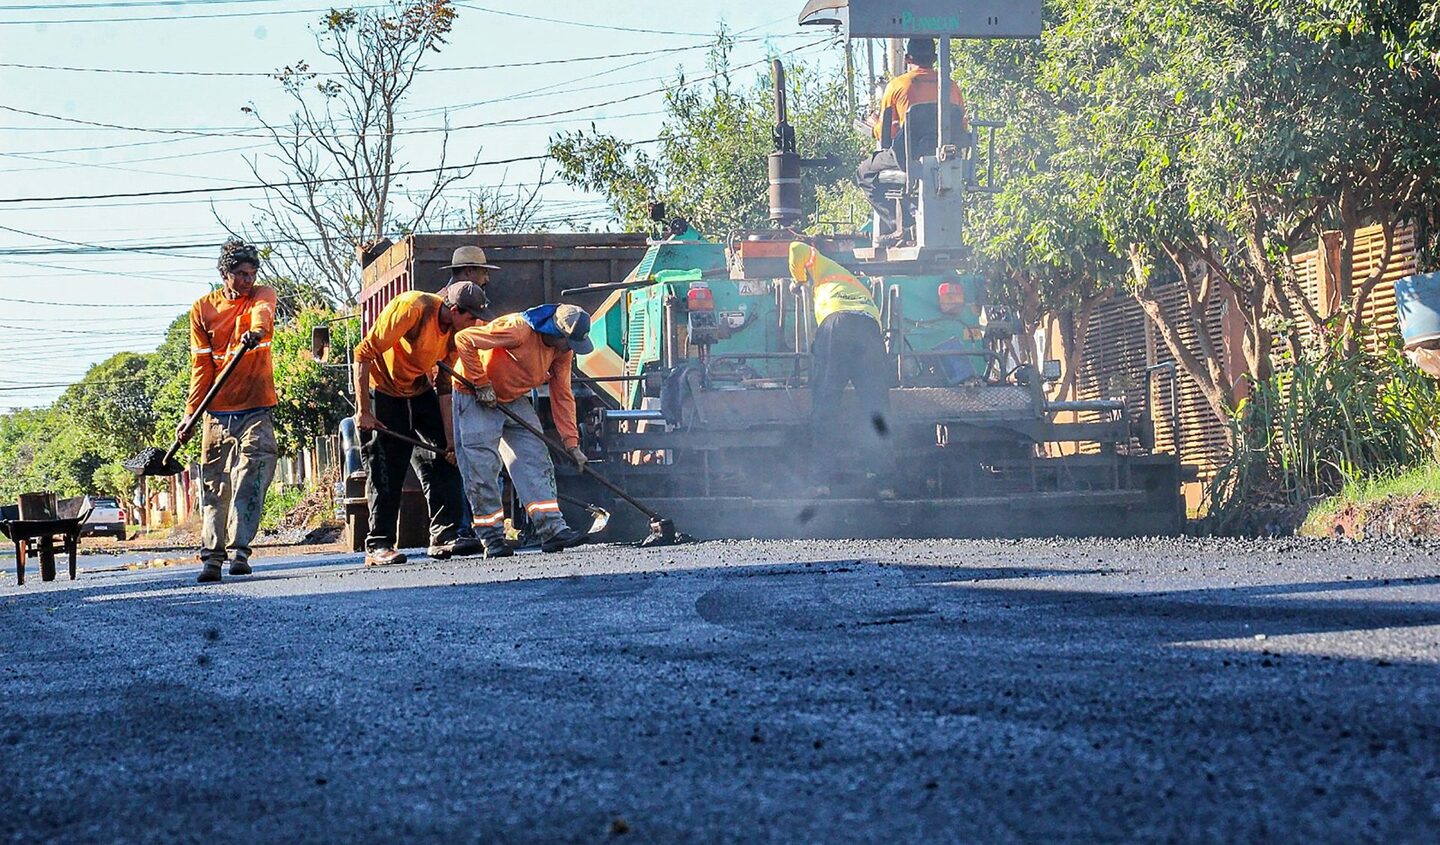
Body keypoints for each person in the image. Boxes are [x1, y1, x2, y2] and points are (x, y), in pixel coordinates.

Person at [352, 282, 488, 566]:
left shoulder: (455, 332)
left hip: (418, 388)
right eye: (471, 317)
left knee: (443, 458)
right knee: (386, 466)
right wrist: (363, 410)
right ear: (453, 309)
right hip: (383, 390)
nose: (475, 323)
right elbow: (363, 354)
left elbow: (444, 383)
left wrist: (449, 440)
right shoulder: (412, 308)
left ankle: (444, 535)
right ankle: (379, 544)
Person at [451, 303, 594, 557]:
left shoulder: (562, 350)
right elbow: (463, 339)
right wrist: (481, 383)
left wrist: (572, 444)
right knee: (482, 467)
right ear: (556, 332)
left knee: (535, 458)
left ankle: (552, 530)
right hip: (474, 394)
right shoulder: (518, 331)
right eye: (569, 343)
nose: (570, 349)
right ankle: (493, 538)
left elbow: (562, 394)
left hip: (512, 398)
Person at [176, 239, 279, 584]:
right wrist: (191, 414)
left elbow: (263, 315)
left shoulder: (263, 295)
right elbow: (200, 366)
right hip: (216, 412)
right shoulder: (202, 309)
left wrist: (256, 332)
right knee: (214, 486)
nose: (247, 280)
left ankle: (240, 552)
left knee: (252, 476)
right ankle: (212, 558)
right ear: (224, 274)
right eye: (240, 274)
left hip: (257, 407)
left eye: (252, 274)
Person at [787, 241, 894, 498]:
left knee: (826, 404)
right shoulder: (858, 286)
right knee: (876, 408)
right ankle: (884, 483)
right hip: (869, 330)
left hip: (838, 323)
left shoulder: (824, 264)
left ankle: (820, 482)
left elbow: (796, 248)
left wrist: (799, 280)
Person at [855, 37, 966, 239]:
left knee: (865, 172)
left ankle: (901, 226)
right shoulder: (951, 86)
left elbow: (887, 132)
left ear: (907, 59)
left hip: (907, 157)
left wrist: (873, 126)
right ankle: (914, 216)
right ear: (934, 58)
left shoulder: (898, 85)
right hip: (947, 158)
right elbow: (962, 126)